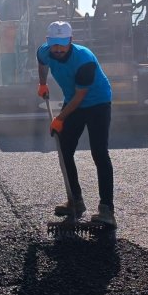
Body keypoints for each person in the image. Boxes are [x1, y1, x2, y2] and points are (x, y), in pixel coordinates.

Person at [37, 21, 117, 227]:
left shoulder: (85, 60)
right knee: (65, 151)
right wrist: (42, 83)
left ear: (70, 41)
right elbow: (42, 63)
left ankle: (107, 210)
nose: (58, 49)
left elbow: (81, 97)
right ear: (48, 42)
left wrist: (59, 119)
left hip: (97, 103)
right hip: (73, 100)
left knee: (99, 153)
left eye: (62, 44)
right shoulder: (44, 52)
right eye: (54, 44)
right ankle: (75, 201)